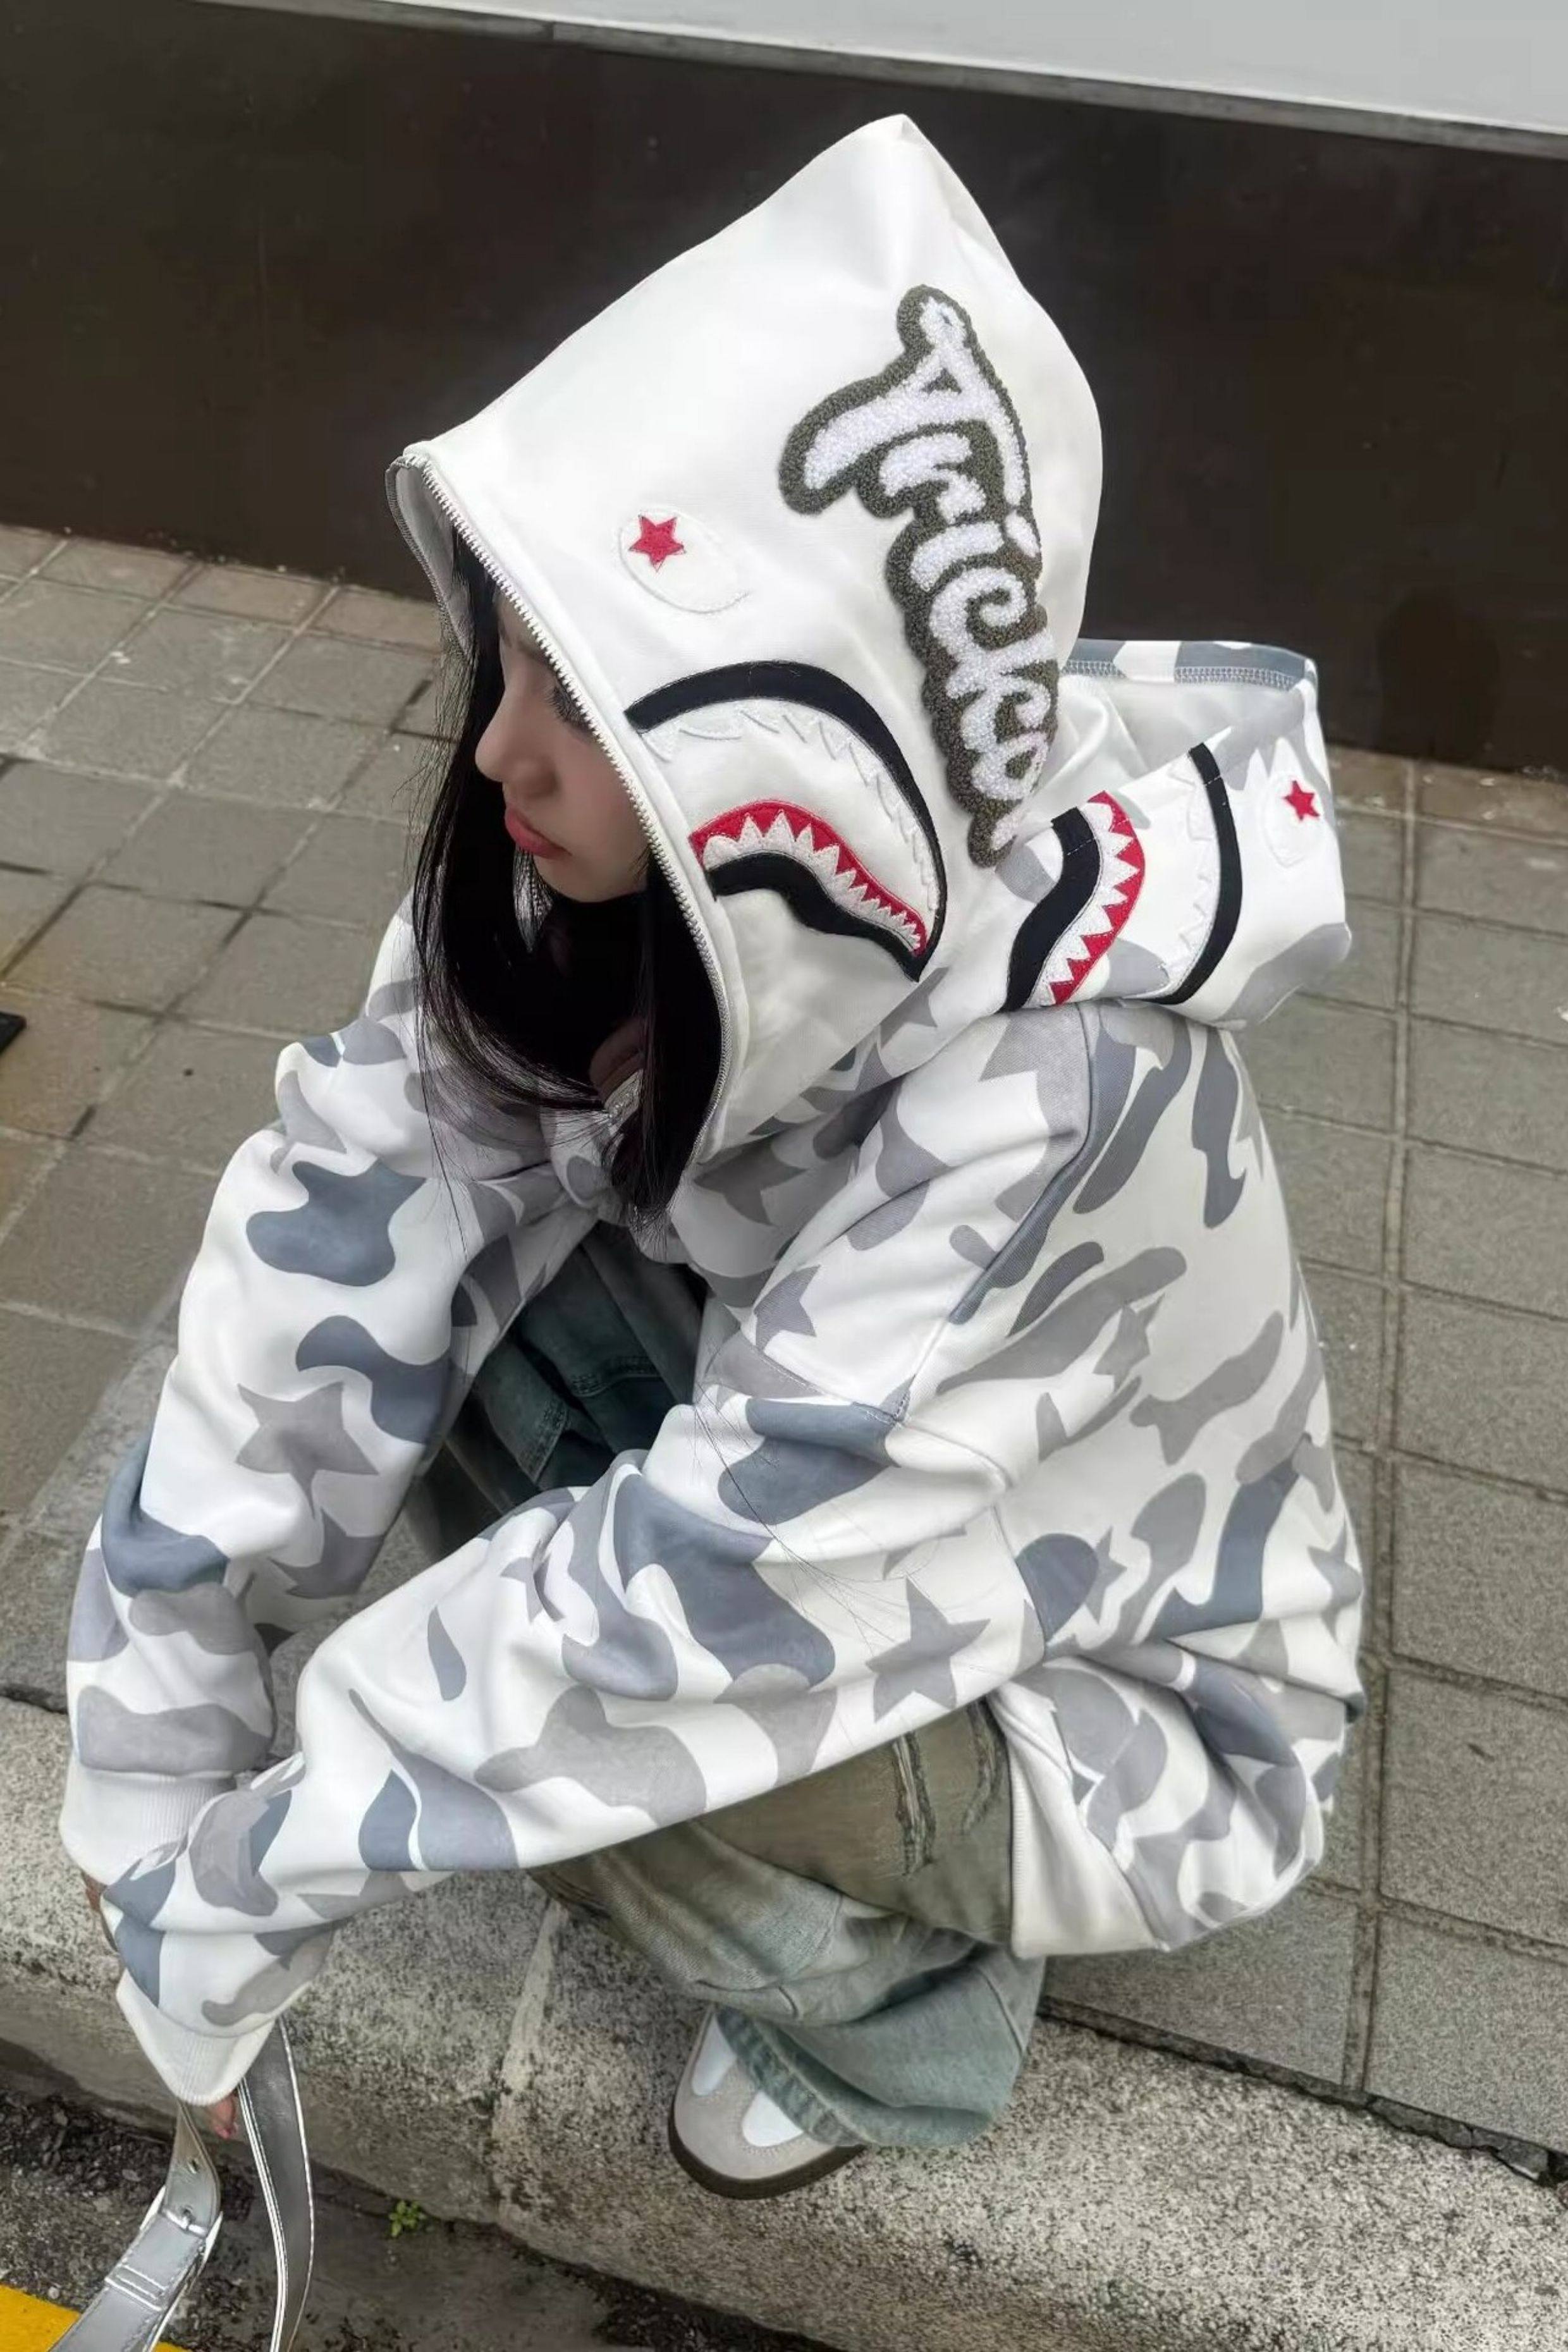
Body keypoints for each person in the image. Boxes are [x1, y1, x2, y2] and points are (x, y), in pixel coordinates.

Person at [62, 114, 1363, 2199]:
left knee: (608, 1731)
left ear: (805, 757)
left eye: (590, 700)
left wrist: (240, 1895)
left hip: (1123, 1703)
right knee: (422, 1340)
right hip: (873, 1451)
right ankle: (817, 1870)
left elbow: (677, 1616)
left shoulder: (1059, 1095)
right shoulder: (646, 869)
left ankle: (900, 2027)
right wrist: (157, 1768)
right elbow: (336, 1219)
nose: (502, 749)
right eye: (513, 655)